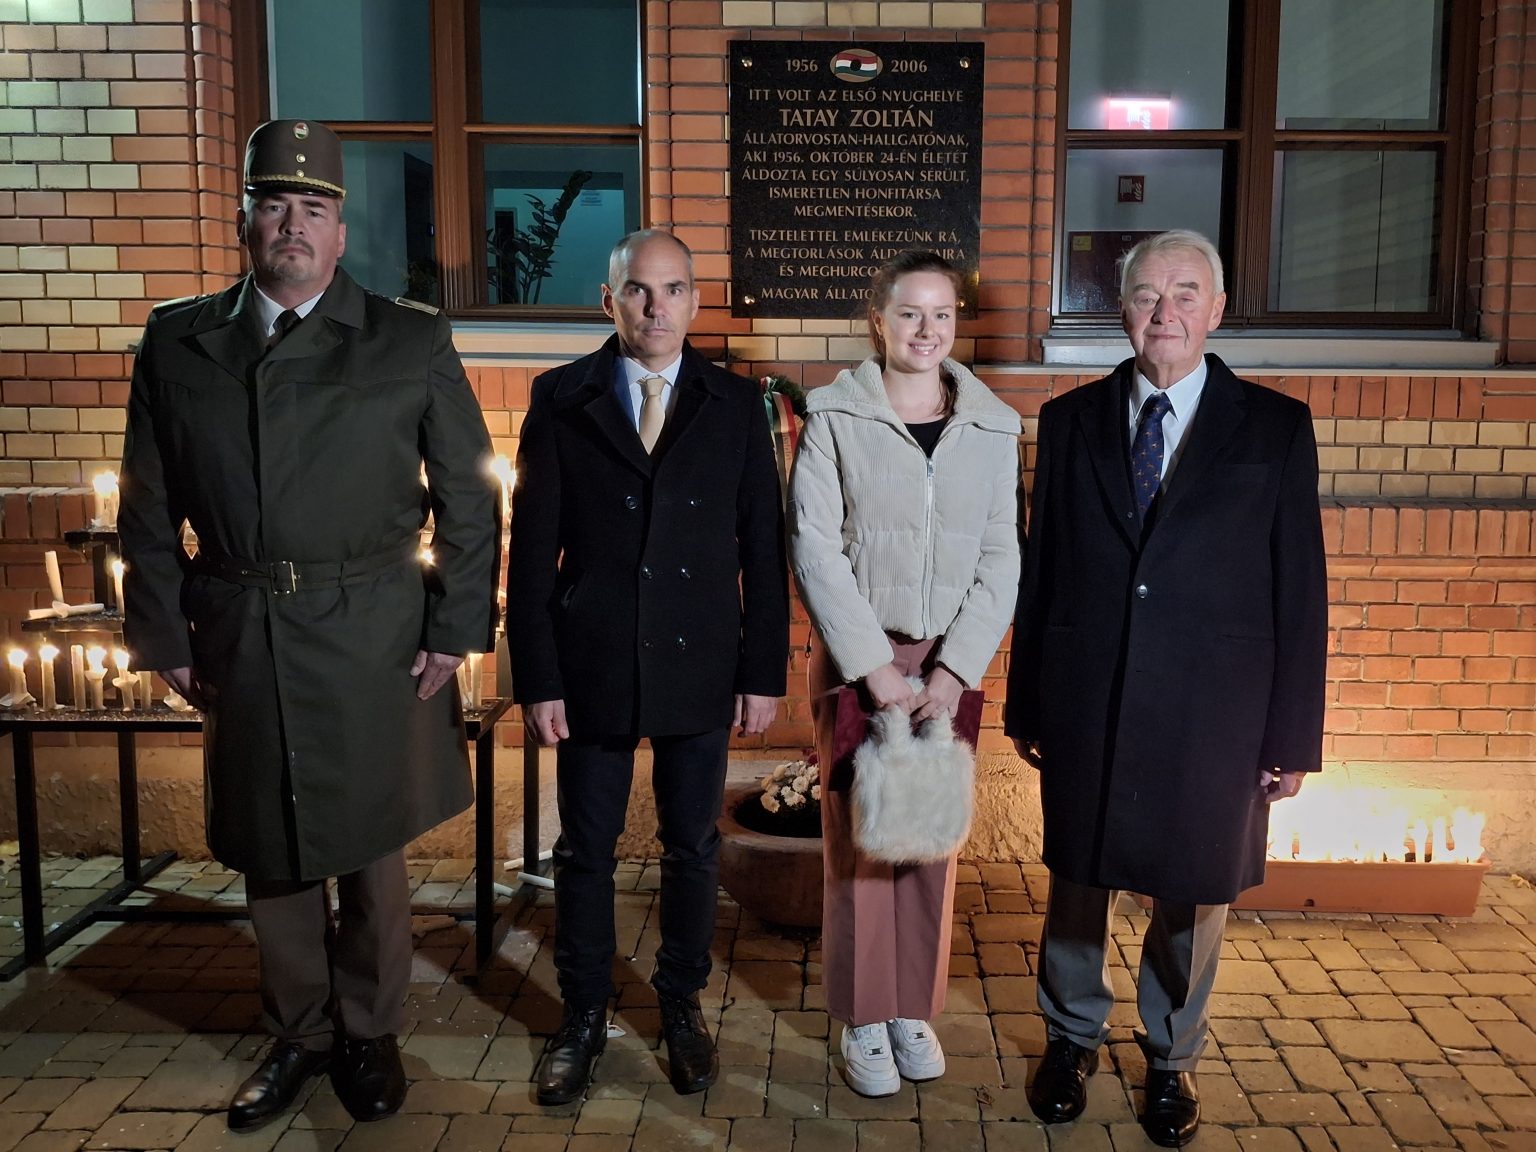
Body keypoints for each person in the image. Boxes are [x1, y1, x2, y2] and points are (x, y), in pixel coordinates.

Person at [118, 119, 499, 1131]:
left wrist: (455, 625)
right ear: (245, 220)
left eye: (315, 208)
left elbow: (469, 495)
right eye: (274, 204)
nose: (294, 224)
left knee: (369, 842)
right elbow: (146, 506)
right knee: (269, 839)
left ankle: (367, 1033)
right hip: (239, 623)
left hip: (372, 628)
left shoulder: (407, 338)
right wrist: (162, 636)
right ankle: (299, 1032)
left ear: (341, 231)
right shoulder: (178, 338)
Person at [1006, 230, 1327, 1147]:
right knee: (1079, 876)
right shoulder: (1070, 421)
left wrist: (1292, 737)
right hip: (1090, 691)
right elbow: (1043, 572)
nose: (1166, 312)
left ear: (1216, 310)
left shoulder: (1275, 427)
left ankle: (1172, 1055)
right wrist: (1028, 700)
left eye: (1186, 293)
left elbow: (1300, 590)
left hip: (1218, 707)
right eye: (1148, 294)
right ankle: (1070, 1038)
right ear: (1123, 311)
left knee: (1194, 884)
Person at [506, 229, 789, 1105]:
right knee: (585, 848)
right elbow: (533, 552)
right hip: (591, 659)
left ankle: (680, 1002)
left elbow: (763, 547)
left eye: (672, 290)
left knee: (692, 845)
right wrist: (537, 677)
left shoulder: (735, 404)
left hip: (699, 657)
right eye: (638, 289)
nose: (655, 306)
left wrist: (763, 671)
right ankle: (583, 1012)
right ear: (609, 300)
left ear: (695, 301)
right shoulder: (561, 397)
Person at [788, 251, 1021, 1097]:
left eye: (943, 314)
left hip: (947, 663)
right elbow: (813, 547)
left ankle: (911, 1008)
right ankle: (863, 1013)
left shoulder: (993, 428)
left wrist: (956, 670)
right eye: (911, 313)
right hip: (860, 657)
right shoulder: (834, 417)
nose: (928, 330)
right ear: (878, 321)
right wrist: (873, 668)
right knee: (860, 841)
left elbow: (1001, 557)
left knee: (928, 834)